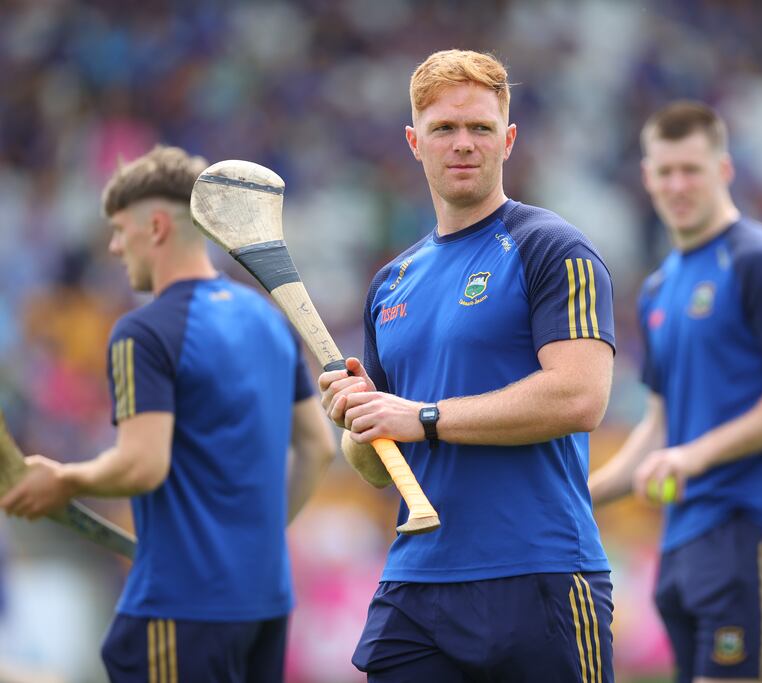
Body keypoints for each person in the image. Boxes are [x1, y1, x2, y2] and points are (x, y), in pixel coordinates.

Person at [319, 49, 616, 681]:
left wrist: (420, 416)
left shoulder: (552, 248)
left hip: (539, 572)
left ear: (508, 140)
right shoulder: (391, 282)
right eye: (444, 129)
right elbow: (378, 467)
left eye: (480, 128)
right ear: (414, 142)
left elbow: (581, 397)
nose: (463, 144)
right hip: (417, 582)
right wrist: (359, 420)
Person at [0, 145, 336, 683]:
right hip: (265, 601)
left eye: (118, 229)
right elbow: (318, 447)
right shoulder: (265, 318)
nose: (114, 246)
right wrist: (257, 540)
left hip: (182, 605)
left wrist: (63, 479)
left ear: (155, 226)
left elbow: (142, 465)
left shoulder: (144, 331)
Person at [589, 101, 762, 683]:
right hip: (685, 538)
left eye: (691, 169)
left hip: (757, 525)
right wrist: (574, 495)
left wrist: (694, 456)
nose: (677, 184)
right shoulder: (657, 289)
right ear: (646, 177)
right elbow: (659, 428)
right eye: (665, 170)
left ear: (724, 169)